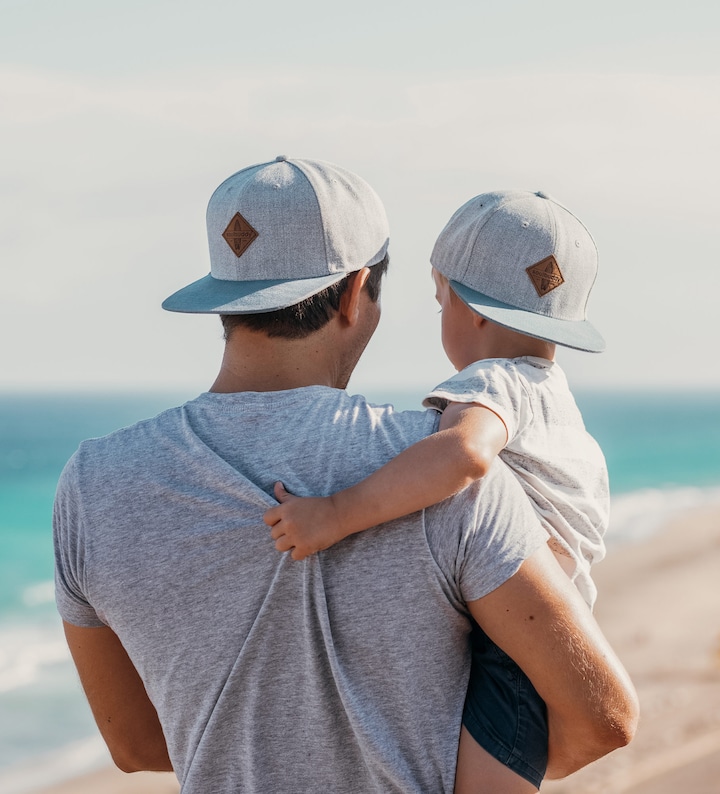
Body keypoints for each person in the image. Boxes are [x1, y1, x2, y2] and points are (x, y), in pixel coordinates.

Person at [53, 157, 638, 794]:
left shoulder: (91, 487)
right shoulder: (450, 474)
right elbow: (603, 718)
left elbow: (135, 744)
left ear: (224, 295)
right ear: (357, 292)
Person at [264, 189, 611, 789]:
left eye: (439, 299)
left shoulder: (495, 381)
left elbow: (464, 453)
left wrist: (337, 514)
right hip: (550, 630)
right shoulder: (557, 403)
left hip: (513, 647)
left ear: (472, 311)